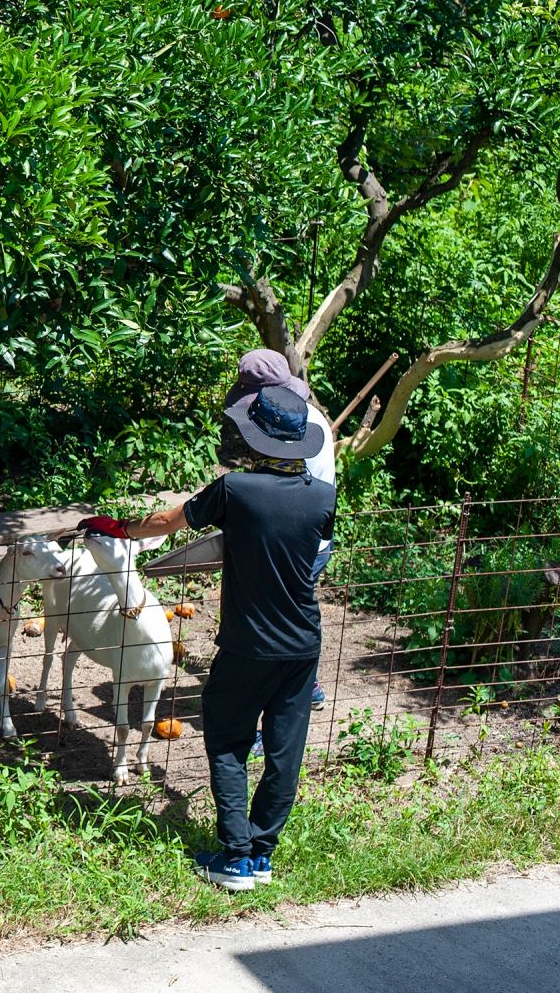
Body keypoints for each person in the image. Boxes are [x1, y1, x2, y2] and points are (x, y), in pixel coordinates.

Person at [80, 383, 334, 892]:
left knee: (226, 740)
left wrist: (118, 528)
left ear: (256, 438)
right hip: (303, 643)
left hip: (247, 643)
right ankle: (262, 853)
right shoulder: (323, 496)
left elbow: (167, 523)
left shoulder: (236, 488)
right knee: (285, 750)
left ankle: (235, 858)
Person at [218, 349, 334, 714]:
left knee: (271, 627)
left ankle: (262, 715)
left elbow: (283, 492)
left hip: (294, 539)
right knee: (296, 612)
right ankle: (306, 685)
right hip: (313, 538)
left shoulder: (289, 425)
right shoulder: (304, 415)